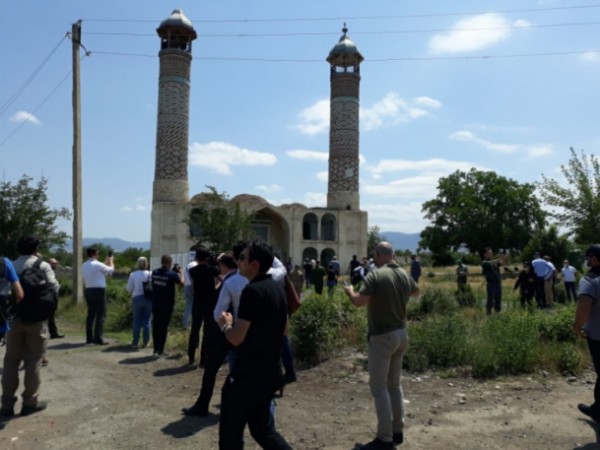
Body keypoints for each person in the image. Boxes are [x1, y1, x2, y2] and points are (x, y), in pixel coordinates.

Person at [217, 240, 292, 450]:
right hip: (270, 372)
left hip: (247, 376)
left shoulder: (252, 292)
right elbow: (285, 330)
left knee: (230, 435)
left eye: (242, 258)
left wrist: (226, 325)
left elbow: (236, 338)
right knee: (264, 432)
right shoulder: (277, 289)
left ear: (255, 264)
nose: (237, 261)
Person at [344, 242, 419, 450]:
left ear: (377, 255)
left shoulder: (376, 275)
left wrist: (349, 291)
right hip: (401, 333)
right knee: (394, 385)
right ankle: (397, 432)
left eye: (374, 255)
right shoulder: (403, 274)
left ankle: (384, 439)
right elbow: (416, 291)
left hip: (382, 336)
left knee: (379, 388)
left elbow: (359, 302)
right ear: (393, 255)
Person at [1, 235, 58, 417]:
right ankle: (29, 403)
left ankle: (7, 404)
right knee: (33, 361)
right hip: (36, 320)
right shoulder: (42, 265)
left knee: (11, 361)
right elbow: (54, 287)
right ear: (36, 249)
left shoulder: (9, 265)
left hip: (13, 318)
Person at [183, 251, 238, 417]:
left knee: (211, 369)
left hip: (222, 327)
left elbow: (219, 310)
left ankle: (203, 404)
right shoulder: (238, 279)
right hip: (234, 327)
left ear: (223, 265)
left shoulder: (229, 281)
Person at [574, 245, 600, 422]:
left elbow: (584, 306)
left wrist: (577, 326)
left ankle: (598, 411)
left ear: (593, 259)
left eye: (588, 258)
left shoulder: (590, 279)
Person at [187, 246, 220, 367]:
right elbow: (220, 280)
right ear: (207, 258)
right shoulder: (212, 270)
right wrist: (215, 289)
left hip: (197, 302)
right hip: (210, 302)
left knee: (194, 330)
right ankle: (203, 359)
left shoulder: (193, 271)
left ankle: (191, 356)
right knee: (207, 331)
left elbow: (193, 287)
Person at [151, 255, 183, 357]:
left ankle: (155, 349)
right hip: (167, 305)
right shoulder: (172, 274)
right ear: (169, 262)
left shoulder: (154, 273)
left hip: (155, 303)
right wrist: (181, 272)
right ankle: (160, 349)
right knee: (163, 327)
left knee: (156, 326)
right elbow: (181, 284)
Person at [81, 247, 114, 345]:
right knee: (101, 314)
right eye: (98, 254)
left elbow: (100, 271)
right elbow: (111, 271)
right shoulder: (98, 264)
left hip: (88, 290)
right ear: (95, 254)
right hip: (99, 290)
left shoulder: (83, 265)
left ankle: (89, 338)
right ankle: (98, 338)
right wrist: (111, 261)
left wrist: (105, 262)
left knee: (91, 314)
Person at [126, 256, 152, 349]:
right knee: (147, 320)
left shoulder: (133, 275)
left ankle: (135, 342)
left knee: (136, 320)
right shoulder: (150, 273)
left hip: (136, 298)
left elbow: (129, 289)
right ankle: (146, 342)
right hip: (148, 298)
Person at [46, 258, 64, 339]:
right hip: (48, 294)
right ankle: (53, 332)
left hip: (52, 294)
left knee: (51, 314)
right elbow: (51, 282)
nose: (55, 265)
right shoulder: (47, 271)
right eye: (54, 263)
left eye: (56, 263)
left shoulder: (51, 271)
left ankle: (53, 332)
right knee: (49, 314)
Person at [481, 247, 502, 315]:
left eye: (491, 253)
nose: (491, 254)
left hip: (498, 284)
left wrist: (504, 257)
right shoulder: (484, 262)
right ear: (485, 254)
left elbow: (504, 263)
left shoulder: (495, 263)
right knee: (490, 300)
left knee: (498, 300)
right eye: (489, 253)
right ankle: (488, 314)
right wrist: (499, 259)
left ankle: (497, 314)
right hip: (491, 284)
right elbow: (491, 263)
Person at [183, 249, 198, 328]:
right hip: (192, 287)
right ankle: (194, 324)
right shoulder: (195, 265)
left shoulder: (187, 265)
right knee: (196, 307)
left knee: (188, 306)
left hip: (186, 286)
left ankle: (185, 324)